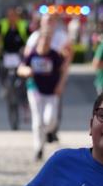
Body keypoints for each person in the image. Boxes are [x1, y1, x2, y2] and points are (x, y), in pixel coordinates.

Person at [18, 26, 70, 161]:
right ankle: (38, 148)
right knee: (38, 120)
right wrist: (26, 71)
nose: (46, 43)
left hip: (52, 91)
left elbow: (64, 70)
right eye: (43, 40)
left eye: (48, 41)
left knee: (50, 120)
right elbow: (21, 68)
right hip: (35, 89)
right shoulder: (32, 55)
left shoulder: (54, 55)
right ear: (39, 41)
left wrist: (60, 85)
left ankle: (46, 134)